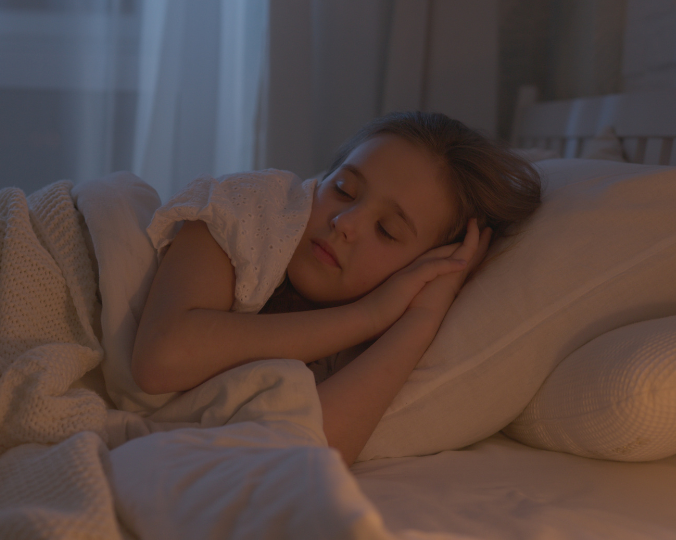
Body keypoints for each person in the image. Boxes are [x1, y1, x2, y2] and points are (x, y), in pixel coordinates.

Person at [131, 111, 541, 466]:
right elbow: (161, 359)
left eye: (386, 230)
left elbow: (300, 456)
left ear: (425, 264)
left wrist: (422, 317)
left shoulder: (361, 349)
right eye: (343, 189)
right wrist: (368, 315)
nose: (345, 223)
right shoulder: (250, 209)